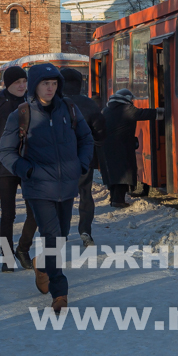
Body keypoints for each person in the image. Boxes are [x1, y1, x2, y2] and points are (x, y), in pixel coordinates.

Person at [0, 63, 93, 315]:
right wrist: (26, 170)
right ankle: (60, 292)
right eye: (45, 83)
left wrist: (81, 165)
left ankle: (42, 265)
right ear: (35, 85)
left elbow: (86, 138)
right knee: (52, 236)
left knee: (59, 237)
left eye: (54, 83)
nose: (50, 88)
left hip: (67, 186)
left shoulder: (69, 109)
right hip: (38, 188)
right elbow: (5, 151)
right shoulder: (21, 113)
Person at [0, 67, 37, 272]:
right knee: (7, 214)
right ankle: (7, 256)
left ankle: (23, 248)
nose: (22, 85)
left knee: (35, 212)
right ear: (7, 84)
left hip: (30, 165)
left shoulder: (33, 102)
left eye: (24, 81)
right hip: (7, 166)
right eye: (17, 82)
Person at [60, 67, 106, 247]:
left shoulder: (55, 103)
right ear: (80, 84)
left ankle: (62, 234)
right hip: (83, 157)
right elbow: (100, 128)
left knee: (63, 197)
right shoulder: (89, 104)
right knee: (85, 193)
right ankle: (85, 230)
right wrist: (98, 142)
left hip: (60, 158)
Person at [101, 89, 163, 208]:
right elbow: (144, 113)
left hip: (106, 148)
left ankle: (113, 198)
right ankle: (118, 201)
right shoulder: (126, 109)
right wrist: (164, 111)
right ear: (127, 99)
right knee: (124, 174)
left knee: (113, 175)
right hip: (122, 148)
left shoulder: (106, 110)